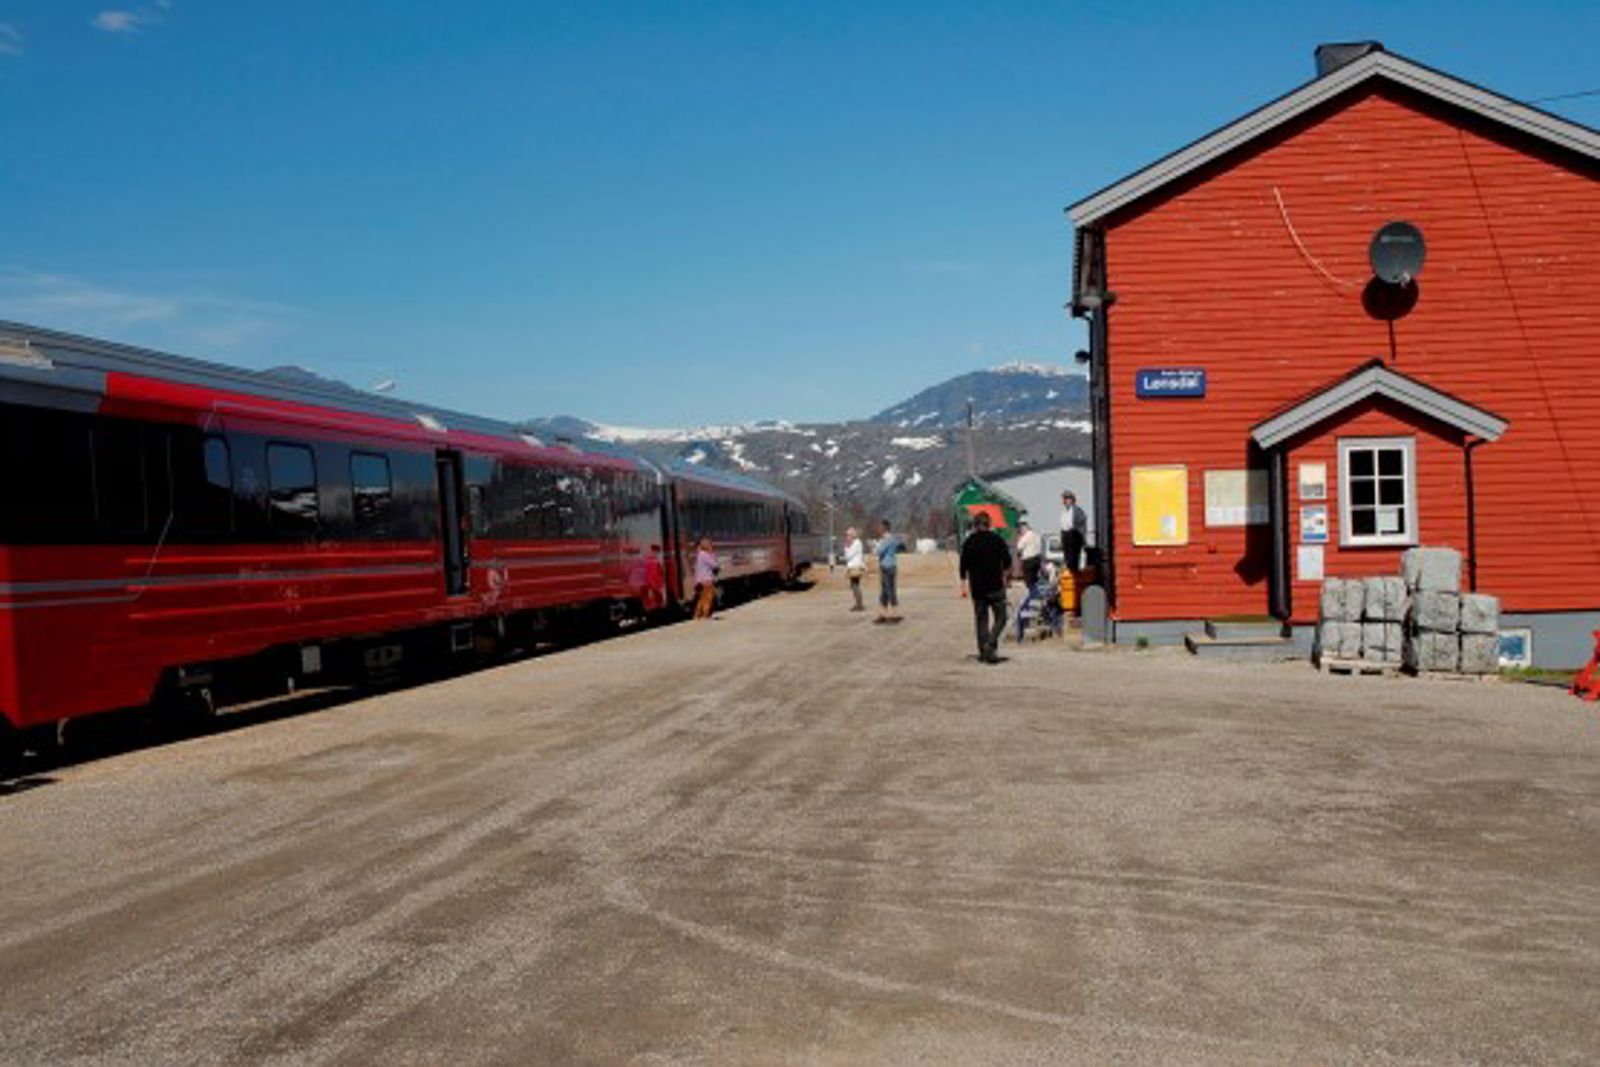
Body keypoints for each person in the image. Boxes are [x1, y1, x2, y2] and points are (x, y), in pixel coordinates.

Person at [960, 511, 1013, 663]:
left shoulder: (969, 542)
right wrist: (1006, 578)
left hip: (977, 588)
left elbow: (963, 566)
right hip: (995, 587)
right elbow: (1008, 563)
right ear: (989, 524)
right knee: (1002, 618)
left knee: (981, 620)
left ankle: (984, 651)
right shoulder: (997, 540)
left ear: (975, 525)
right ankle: (990, 643)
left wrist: (963, 585)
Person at [873, 519, 904, 623]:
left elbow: (878, 551)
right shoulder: (893, 539)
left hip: (887, 567)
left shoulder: (887, 539)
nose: (878, 529)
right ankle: (883, 614)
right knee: (885, 592)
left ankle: (895, 614)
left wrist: (878, 543)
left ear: (884, 528)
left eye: (880, 527)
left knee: (889, 591)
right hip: (891, 566)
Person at [1059, 490, 1088, 572]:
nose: (1065, 500)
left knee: (1073, 558)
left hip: (1074, 535)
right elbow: (1063, 526)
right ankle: (1070, 570)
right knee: (1067, 558)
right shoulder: (1063, 512)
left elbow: (1082, 524)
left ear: (1072, 499)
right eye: (1064, 498)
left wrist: (1082, 537)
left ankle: (1074, 571)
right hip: (1066, 535)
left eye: (1067, 498)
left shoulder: (1077, 510)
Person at [692, 537, 718, 620]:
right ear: (706, 546)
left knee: (702, 598)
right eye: (710, 544)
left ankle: (697, 615)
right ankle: (706, 615)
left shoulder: (699, 554)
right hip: (707, 579)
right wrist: (712, 553)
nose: (711, 545)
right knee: (708, 598)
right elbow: (714, 565)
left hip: (701, 579)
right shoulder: (705, 555)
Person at [842, 526, 866, 612]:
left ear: (852, 535)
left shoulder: (856, 543)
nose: (847, 537)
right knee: (854, 585)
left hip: (855, 567)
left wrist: (846, 547)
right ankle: (858, 604)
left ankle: (859, 604)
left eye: (848, 535)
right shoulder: (854, 543)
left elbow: (848, 556)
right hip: (853, 567)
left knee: (855, 585)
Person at [1015, 519, 1043, 591]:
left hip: (1028, 562)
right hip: (1037, 560)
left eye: (1019, 529)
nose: (1019, 531)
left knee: (1029, 583)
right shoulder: (1037, 535)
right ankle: (1035, 596)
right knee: (1034, 581)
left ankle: (1033, 596)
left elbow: (1019, 550)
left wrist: (1019, 561)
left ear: (1022, 528)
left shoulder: (1025, 537)